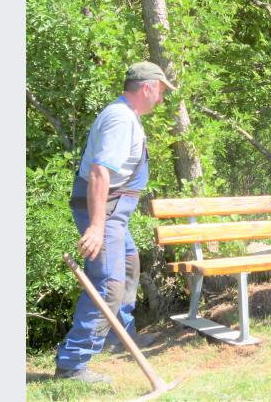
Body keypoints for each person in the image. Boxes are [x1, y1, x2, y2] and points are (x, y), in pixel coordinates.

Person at [54, 61, 176, 383]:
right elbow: (99, 172)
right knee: (108, 283)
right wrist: (96, 226)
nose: (161, 100)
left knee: (129, 262)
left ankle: (118, 337)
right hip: (104, 213)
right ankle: (72, 364)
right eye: (161, 92)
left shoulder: (127, 116)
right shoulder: (121, 119)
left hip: (115, 214)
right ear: (147, 88)